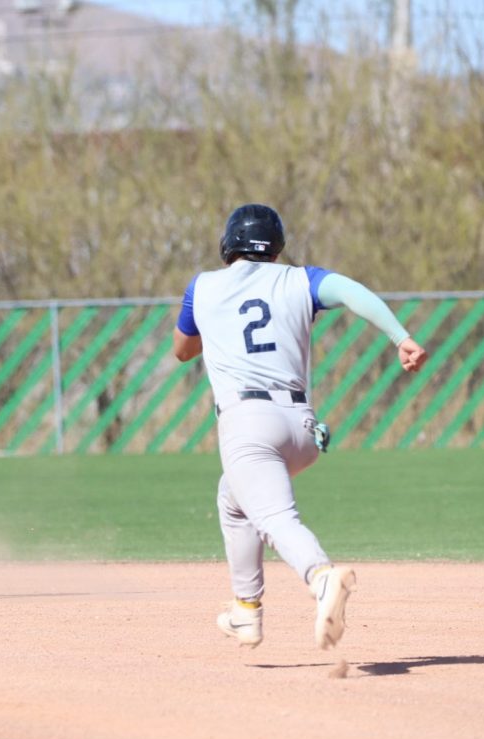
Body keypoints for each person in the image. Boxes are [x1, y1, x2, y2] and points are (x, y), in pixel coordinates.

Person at [173, 204, 428, 649]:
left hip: (248, 424)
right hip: (302, 429)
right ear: (276, 247)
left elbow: (182, 350)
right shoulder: (300, 279)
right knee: (233, 499)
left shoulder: (204, 286)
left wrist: (213, 327)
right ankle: (245, 610)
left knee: (274, 517)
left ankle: (321, 576)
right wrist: (400, 337)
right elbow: (352, 292)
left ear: (228, 245)